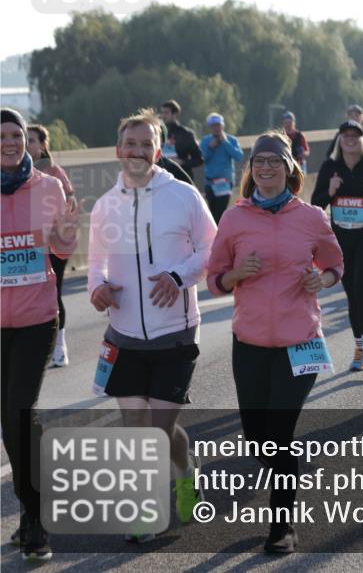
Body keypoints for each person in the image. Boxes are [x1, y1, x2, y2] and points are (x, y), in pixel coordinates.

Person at [207, 131, 344, 553]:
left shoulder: (312, 218)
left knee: (280, 435)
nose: (266, 168)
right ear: (251, 168)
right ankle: (283, 472)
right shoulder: (234, 218)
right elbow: (214, 279)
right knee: (258, 439)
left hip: (299, 340)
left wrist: (320, 279)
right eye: (259, 161)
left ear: (290, 168)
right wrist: (236, 275)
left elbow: (336, 263)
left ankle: (281, 525)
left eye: (275, 161)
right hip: (248, 342)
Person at [87, 108, 217, 542]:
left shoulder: (182, 196)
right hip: (123, 333)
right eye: (131, 144)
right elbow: (96, 263)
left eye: (147, 144)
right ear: (119, 150)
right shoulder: (106, 205)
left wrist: (179, 276)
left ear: (158, 152)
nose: (138, 151)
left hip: (175, 332)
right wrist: (98, 289)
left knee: (159, 430)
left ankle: (185, 472)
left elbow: (211, 250)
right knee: (135, 427)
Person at [2, 109, 79, 561]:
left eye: (17, 135)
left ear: (28, 140)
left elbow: (61, 249)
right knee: (10, 423)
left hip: (36, 317)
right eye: (2, 136)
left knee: (18, 411)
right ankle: (33, 513)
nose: (10, 142)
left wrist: (67, 233)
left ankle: (37, 519)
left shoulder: (47, 186)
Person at [311, 121, 363, 373]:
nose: (350, 140)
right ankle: (358, 347)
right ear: (339, 140)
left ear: (361, 140)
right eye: (345, 136)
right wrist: (330, 190)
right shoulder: (330, 167)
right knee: (351, 293)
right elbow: (317, 203)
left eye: (355, 136)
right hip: (341, 240)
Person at [25, 124, 77, 368]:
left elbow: (70, 203)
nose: (26, 144)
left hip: (53, 243)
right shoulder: (13, 171)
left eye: (31, 140)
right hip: (27, 243)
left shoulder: (54, 172)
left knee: (53, 292)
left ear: (43, 145)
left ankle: (59, 348)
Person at [200, 113, 244, 224]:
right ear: (210, 127)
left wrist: (225, 142)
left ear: (222, 125)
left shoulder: (231, 140)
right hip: (210, 183)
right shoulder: (205, 141)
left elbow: (239, 156)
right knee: (212, 213)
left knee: (221, 213)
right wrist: (210, 147)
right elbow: (201, 159)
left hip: (225, 182)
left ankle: (221, 236)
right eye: (213, 125)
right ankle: (215, 237)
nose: (216, 128)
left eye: (218, 125)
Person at [159, 100, 203, 182]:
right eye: (162, 112)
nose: (163, 116)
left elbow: (198, 160)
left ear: (175, 114)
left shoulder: (186, 134)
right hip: (161, 179)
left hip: (181, 178)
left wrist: (182, 162)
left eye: (166, 113)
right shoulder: (157, 132)